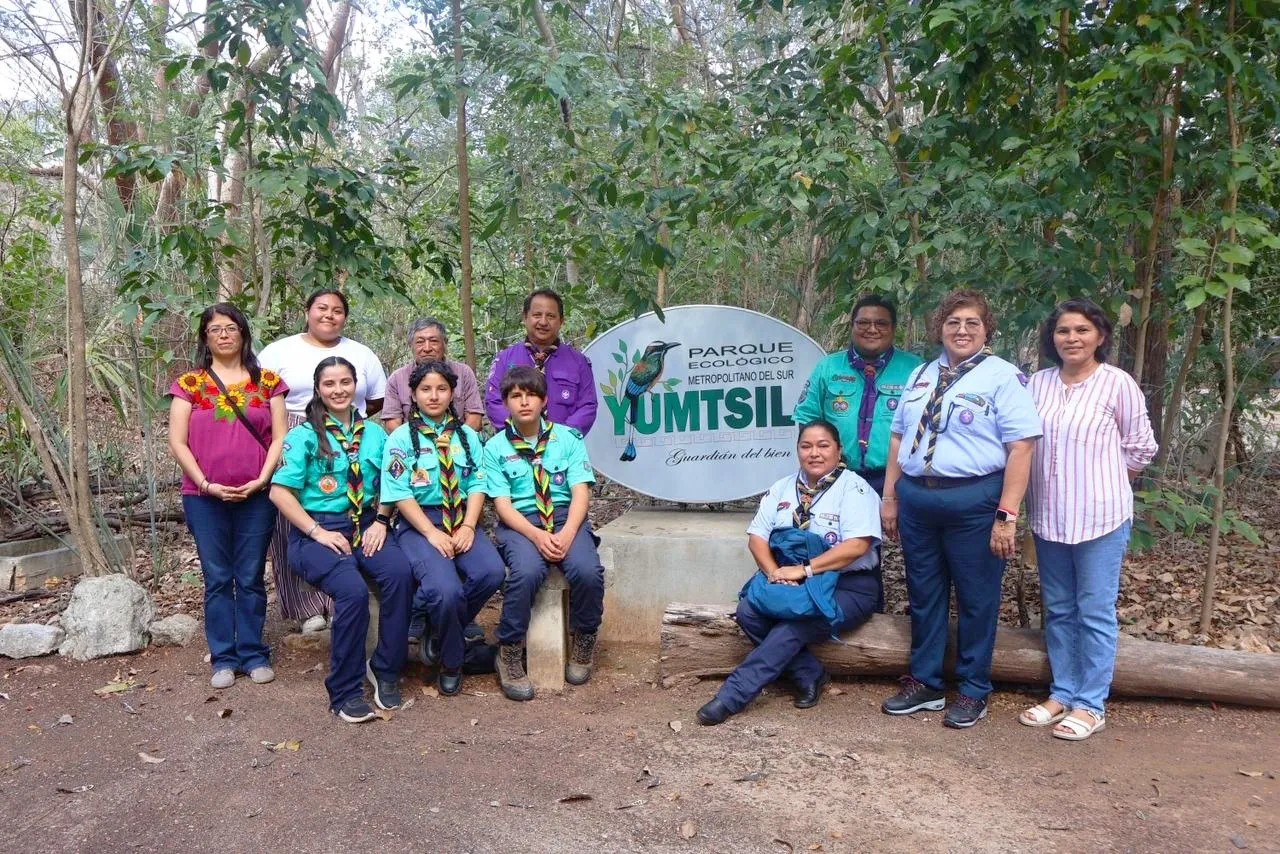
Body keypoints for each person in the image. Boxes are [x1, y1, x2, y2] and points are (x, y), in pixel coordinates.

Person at [879, 288, 1042, 729]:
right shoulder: (920, 375)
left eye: (972, 322)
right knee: (925, 593)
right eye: (953, 322)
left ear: (987, 329)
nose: (962, 330)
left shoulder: (1003, 377)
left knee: (976, 598)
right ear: (940, 328)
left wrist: (1007, 515)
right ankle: (926, 682)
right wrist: (890, 497)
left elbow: (1022, 447)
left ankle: (973, 688)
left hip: (975, 500)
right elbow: (897, 437)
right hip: (917, 498)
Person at [1020, 299, 1156, 741]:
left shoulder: (1117, 383)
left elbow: (1141, 447)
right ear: (1052, 337)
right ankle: (1062, 692)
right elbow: (1022, 444)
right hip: (1049, 516)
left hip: (1102, 516)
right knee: (1058, 609)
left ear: (1099, 335)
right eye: (1063, 331)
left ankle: (1091, 703)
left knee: (1094, 611)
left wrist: (1107, 479)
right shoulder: (1037, 384)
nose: (1072, 338)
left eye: (1082, 330)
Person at [696, 420, 882, 726]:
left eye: (823, 446)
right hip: (793, 579)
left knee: (793, 626)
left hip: (849, 587)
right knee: (748, 612)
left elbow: (857, 546)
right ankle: (809, 672)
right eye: (806, 446)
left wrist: (804, 570)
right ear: (798, 450)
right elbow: (757, 538)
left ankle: (731, 696)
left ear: (838, 450)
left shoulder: (855, 488)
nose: (814, 453)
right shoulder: (782, 488)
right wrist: (774, 573)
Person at [269, 357, 413, 723]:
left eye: (346, 382)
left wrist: (382, 520)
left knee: (399, 575)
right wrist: (317, 532)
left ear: (357, 387)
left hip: (367, 524)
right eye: (330, 383)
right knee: (351, 591)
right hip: (316, 530)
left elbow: (391, 484)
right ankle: (345, 690)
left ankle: (384, 668)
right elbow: (280, 493)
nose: (339, 390)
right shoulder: (303, 436)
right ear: (318, 388)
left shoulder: (377, 434)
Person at [168, 303, 288, 690]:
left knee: (251, 576)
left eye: (231, 327)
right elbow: (177, 441)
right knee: (217, 577)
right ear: (205, 337)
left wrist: (262, 480)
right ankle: (223, 657)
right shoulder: (189, 385)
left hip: (257, 495)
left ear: (243, 333)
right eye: (215, 328)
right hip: (203, 497)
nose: (223, 334)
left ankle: (253, 653)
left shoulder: (267, 381)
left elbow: (280, 438)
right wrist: (204, 483)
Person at [258, 288, 388, 634]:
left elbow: (376, 399)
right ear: (307, 311)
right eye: (322, 308)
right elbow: (258, 396)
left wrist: (348, 421)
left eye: (337, 310)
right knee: (293, 523)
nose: (329, 315)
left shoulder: (359, 353)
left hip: (349, 431)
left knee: (349, 511)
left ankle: (340, 601)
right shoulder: (280, 350)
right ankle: (305, 608)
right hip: (293, 427)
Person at [481, 366, 606, 701]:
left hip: (566, 517)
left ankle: (584, 636)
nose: (524, 402)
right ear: (506, 403)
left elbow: (581, 491)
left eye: (531, 395)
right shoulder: (494, 448)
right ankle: (509, 649)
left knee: (587, 570)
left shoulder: (568, 438)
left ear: (544, 399)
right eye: (516, 396)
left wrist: (566, 534)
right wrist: (537, 536)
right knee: (526, 572)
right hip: (520, 523)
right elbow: (503, 506)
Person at [382, 360, 505, 696]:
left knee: (491, 572)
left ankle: (437, 631)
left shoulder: (466, 436)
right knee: (446, 591)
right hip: (419, 524)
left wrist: (468, 526)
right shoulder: (401, 438)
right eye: (425, 389)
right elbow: (398, 491)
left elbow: (479, 482)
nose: (433, 396)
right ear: (414, 394)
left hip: (461, 519)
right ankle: (451, 661)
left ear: (452, 393)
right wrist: (431, 533)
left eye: (441, 389)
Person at [793, 294, 923, 495]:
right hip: (838, 477)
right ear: (852, 326)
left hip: (898, 479)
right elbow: (807, 419)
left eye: (881, 323)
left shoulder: (915, 369)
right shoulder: (828, 367)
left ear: (893, 328)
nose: (872, 329)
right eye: (863, 323)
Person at [484, 289, 597, 434]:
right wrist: (520, 435)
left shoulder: (579, 362)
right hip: (515, 448)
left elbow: (587, 406)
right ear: (525, 317)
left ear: (561, 321)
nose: (543, 322)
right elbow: (494, 401)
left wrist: (560, 438)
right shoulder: (505, 359)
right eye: (537, 315)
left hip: (563, 449)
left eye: (550, 316)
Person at [382, 318, 484, 432]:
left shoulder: (463, 373)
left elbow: (474, 419)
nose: (427, 348)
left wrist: (453, 443)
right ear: (411, 345)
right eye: (420, 342)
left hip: (458, 444)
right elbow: (392, 424)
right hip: (412, 445)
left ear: (445, 343)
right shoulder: (397, 379)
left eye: (433, 341)